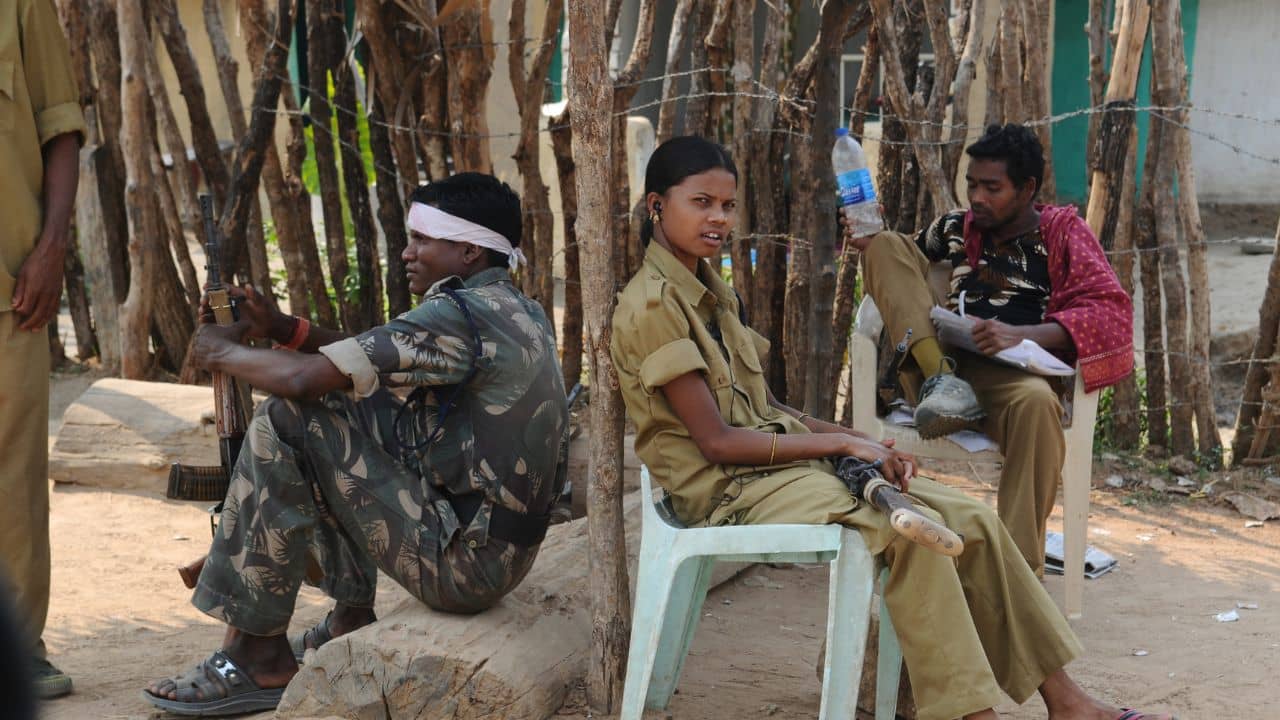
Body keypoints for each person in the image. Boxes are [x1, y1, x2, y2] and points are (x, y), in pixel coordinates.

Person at [610, 136, 1170, 720]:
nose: (719, 219)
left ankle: (1069, 704)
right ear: (656, 206)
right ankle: (973, 714)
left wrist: (865, 443)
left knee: (973, 519)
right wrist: (843, 441)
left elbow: (767, 406)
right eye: (701, 203)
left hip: (774, 469)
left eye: (727, 206)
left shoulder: (711, 291)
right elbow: (718, 442)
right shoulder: (654, 306)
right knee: (914, 534)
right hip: (728, 486)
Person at [144, 173, 570, 716]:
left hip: (465, 567)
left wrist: (220, 353)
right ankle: (348, 617)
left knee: (288, 418)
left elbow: (302, 383)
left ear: (467, 249)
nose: (407, 251)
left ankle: (255, 655)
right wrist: (279, 326)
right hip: (493, 551)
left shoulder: (458, 316)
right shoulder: (510, 310)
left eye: (422, 239)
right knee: (345, 411)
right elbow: (371, 356)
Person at [847, 123, 1133, 575]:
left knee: (1039, 403)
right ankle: (942, 382)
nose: (977, 197)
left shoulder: (1061, 234)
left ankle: (1018, 578)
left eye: (992, 188)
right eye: (972, 184)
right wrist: (874, 244)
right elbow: (900, 274)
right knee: (883, 244)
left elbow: (1108, 312)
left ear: (1027, 189)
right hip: (936, 365)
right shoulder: (955, 228)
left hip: (1011, 376)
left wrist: (1022, 335)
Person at [0, 0, 88, 701]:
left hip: (9, 288)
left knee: (14, 474)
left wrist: (52, 246)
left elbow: (60, 126)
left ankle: (19, 648)